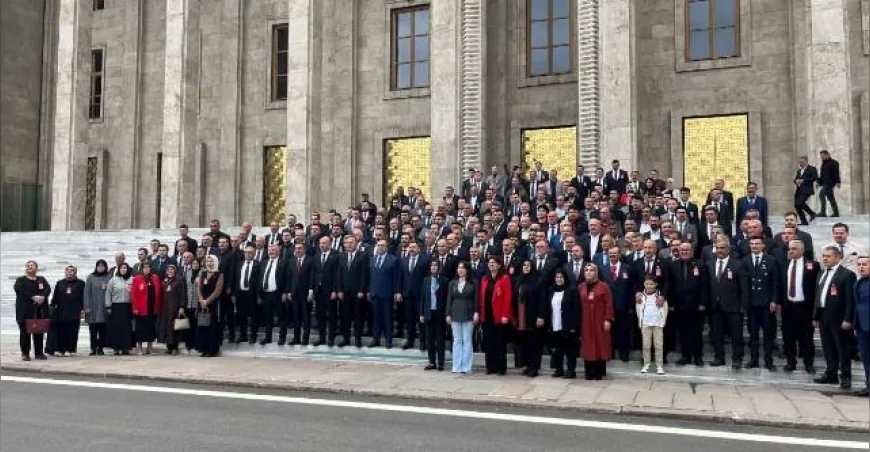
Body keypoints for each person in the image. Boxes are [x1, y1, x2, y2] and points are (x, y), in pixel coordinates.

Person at [814, 246, 857, 390]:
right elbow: (818, 296)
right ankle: (831, 374)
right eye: (823, 256)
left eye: (828, 256)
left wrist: (848, 319)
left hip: (839, 318)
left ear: (838, 257)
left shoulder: (847, 274)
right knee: (828, 347)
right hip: (824, 316)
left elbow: (850, 299)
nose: (825, 259)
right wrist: (815, 316)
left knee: (843, 348)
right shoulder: (821, 273)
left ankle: (845, 377)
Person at [539, 268, 579, 378]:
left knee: (569, 349)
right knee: (557, 349)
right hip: (554, 324)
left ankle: (571, 370)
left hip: (567, 325)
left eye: (561, 277)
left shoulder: (571, 290)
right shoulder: (551, 290)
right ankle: (559, 369)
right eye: (557, 277)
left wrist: (574, 326)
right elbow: (548, 308)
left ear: (565, 278)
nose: (559, 279)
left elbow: (575, 309)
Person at [579, 263, 614, 380]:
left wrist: (608, 319)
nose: (588, 272)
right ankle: (589, 372)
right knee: (588, 345)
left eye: (591, 270)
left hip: (600, 321)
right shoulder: (581, 287)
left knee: (600, 345)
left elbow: (609, 304)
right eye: (586, 270)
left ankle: (599, 372)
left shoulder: (604, 286)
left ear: (596, 272)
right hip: (585, 322)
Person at [479, 256, 513, 375]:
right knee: (489, 342)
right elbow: (481, 298)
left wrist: (505, 315)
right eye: (490, 263)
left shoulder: (504, 278)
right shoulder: (485, 279)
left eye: (494, 263)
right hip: (487, 315)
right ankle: (490, 366)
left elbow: (508, 298)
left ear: (499, 265)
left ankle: (501, 367)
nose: (491, 264)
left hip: (499, 316)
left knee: (499, 342)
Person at [13, 260, 51, 361]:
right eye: (28, 265)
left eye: (32, 265)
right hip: (25, 311)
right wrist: (33, 297)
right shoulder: (20, 280)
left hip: (39, 311)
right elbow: (19, 291)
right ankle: (25, 353)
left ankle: (39, 353)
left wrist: (42, 297)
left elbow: (47, 289)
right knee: (25, 333)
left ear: (36, 268)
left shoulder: (41, 279)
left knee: (39, 332)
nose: (29, 267)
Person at [446, 261, 479, 374]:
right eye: (459, 268)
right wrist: (448, 314)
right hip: (455, 312)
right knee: (457, 340)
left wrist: (476, 312)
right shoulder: (452, 283)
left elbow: (476, 299)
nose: (460, 270)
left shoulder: (473, 283)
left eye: (463, 268)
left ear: (467, 270)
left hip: (468, 312)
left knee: (467, 340)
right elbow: (449, 299)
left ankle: (467, 367)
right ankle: (456, 366)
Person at [514, 260, 543, 377]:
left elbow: (542, 300)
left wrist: (541, 316)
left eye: (528, 265)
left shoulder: (538, 280)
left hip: (533, 316)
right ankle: (527, 366)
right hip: (521, 317)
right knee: (525, 343)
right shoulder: (519, 280)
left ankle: (534, 367)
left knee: (534, 343)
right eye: (524, 265)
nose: (526, 267)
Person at [51, 266, 85, 357]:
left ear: (75, 272)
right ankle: (59, 348)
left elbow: (83, 297)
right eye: (67, 270)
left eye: (72, 271)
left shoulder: (81, 283)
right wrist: (52, 306)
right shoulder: (60, 283)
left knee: (72, 330)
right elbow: (55, 296)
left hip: (74, 310)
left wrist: (83, 309)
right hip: (61, 310)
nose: (69, 272)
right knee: (61, 330)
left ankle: (70, 349)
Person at [419, 260, 448, 371]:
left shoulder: (444, 281)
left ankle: (440, 362)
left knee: (440, 339)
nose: (433, 267)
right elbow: (422, 298)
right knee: (429, 339)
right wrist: (421, 313)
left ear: (439, 268)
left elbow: (446, 298)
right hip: (428, 312)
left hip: (439, 313)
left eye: (436, 266)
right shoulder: (426, 280)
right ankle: (431, 362)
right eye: (432, 266)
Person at [636, 276, 668, 374]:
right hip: (646, 323)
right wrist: (640, 321)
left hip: (657, 323)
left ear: (655, 284)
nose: (649, 286)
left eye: (651, 284)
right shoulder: (640, 296)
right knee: (646, 345)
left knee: (658, 345)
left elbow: (665, 309)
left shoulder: (660, 296)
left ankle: (659, 365)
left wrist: (662, 321)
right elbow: (638, 309)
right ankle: (646, 364)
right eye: (646, 284)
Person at [130, 261, 163, 355]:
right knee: (140, 328)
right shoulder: (137, 279)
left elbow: (159, 292)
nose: (146, 269)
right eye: (144, 267)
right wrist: (135, 308)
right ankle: (139, 348)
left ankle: (150, 348)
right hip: (141, 308)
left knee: (151, 328)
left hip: (152, 308)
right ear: (141, 269)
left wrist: (158, 306)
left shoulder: (155, 278)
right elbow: (133, 294)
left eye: (148, 267)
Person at [196, 254, 225, 357]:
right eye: (208, 261)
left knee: (212, 327)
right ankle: (204, 349)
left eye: (211, 261)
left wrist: (207, 301)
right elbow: (198, 288)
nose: (209, 263)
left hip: (213, 304)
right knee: (202, 326)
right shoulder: (203, 273)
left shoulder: (219, 274)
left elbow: (218, 291)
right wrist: (201, 300)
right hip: (202, 304)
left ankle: (212, 350)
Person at [105, 262, 134, 355]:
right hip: (116, 307)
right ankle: (116, 348)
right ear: (118, 270)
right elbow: (108, 293)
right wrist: (108, 306)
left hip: (128, 306)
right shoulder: (113, 280)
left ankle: (126, 348)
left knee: (127, 327)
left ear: (128, 269)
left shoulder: (132, 279)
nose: (123, 270)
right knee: (116, 328)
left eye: (125, 268)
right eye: (121, 268)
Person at [84, 259, 111, 355]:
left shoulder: (108, 277)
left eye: (102, 266)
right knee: (93, 329)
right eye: (99, 266)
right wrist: (86, 306)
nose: (100, 267)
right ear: (96, 267)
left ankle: (100, 348)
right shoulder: (91, 277)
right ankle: (93, 348)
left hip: (104, 307)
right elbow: (86, 293)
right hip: (93, 307)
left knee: (103, 329)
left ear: (105, 267)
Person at [157, 264, 186, 355]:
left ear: (175, 271)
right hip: (165, 308)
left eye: (172, 269)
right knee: (166, 327)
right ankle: (169, 347)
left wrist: (181, 306)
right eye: (168, 269)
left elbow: (182, 294)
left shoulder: (179, 281)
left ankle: (175, 347)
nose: (170, 271)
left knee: (174, 327)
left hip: (175, 307)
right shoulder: (164, 281)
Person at [853, 256, 870, 397]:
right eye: (859, 264)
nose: (861, 267)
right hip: (861, 326)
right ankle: (868, 386)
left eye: (864, 264)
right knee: (865, 357)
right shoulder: (858, 282)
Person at [793, 155, 818, 225]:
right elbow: (795, 179)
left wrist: (803, 180)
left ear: (806, 161)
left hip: (807, 189)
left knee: (800, 202)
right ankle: (804, 221)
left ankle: (812, 213)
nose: (800, 163)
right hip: (799, 190)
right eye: (799, 162)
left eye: (802, 162)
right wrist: (796, 181)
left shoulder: (812, 169)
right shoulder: (799, 171)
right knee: (797, 205)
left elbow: (814, 177)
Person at [817, 149, 840, 218]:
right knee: (831, 198)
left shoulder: (834, 163)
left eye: (823, 156)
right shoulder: (823, 164)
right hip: (824, 183)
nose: (822, 158)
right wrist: (819, 182)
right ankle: (836, 213)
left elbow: (836, 173)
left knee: (821, 194)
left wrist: (838, 182)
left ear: (828, 155)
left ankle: (823, 212)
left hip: (830, 183)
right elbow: (822, 175)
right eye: (821, 156)